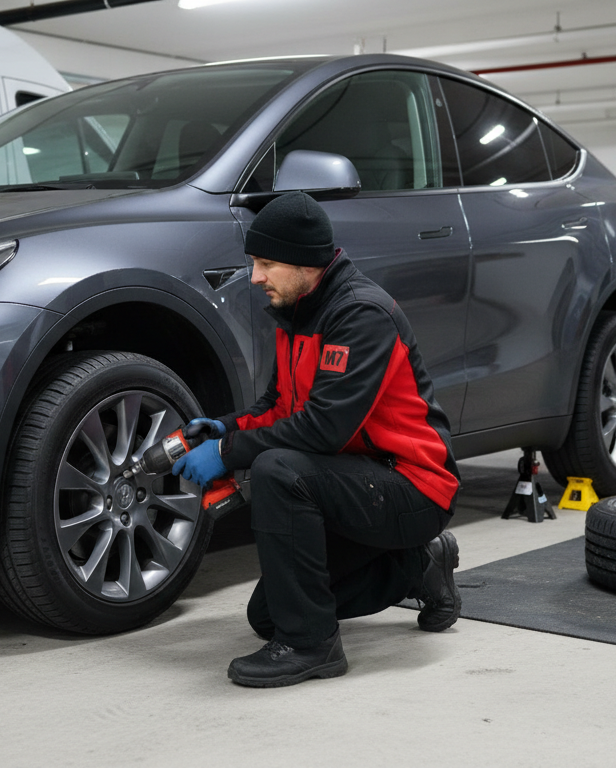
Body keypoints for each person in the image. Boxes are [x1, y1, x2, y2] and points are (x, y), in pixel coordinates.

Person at [173, 191, 462, 688]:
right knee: (268, 614)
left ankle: (312, 647)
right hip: (359, 481)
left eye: (266, 263)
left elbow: (325, 428)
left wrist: (226, 455)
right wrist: (227, 426)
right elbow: (279, 408)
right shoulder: (299, 310)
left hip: (413, 485)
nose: (256, 276)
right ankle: (418, 566)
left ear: (307, 263)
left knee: (278, 471)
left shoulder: (360, 316)